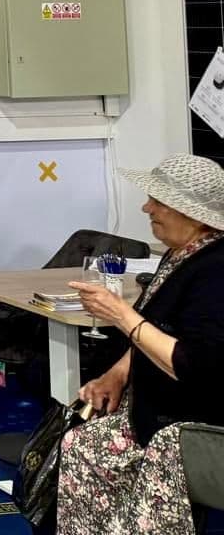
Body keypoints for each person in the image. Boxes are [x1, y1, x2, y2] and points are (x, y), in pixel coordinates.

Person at [57, 154, 224, 535]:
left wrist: (120, 314)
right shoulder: (183, 253)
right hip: (155, 412)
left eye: (158, 201)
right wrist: (117, 375)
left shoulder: (216, 271)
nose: (147, 208)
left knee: (91, 449)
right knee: (79, 445)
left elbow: (193, 365)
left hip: (190, 427)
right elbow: (159, 328)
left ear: (192, 214)